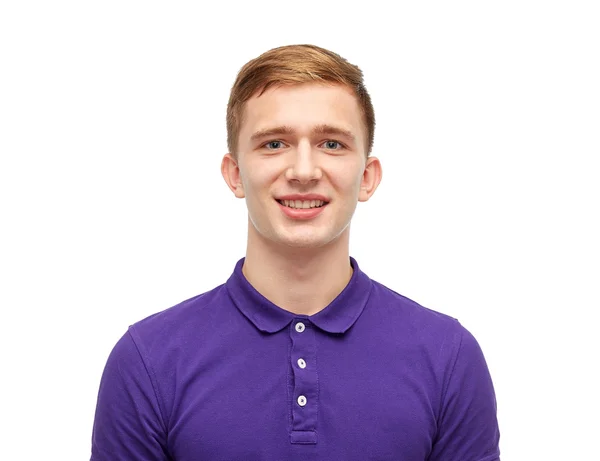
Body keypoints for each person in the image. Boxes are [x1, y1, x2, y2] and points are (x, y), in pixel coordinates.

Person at [90, 44, 500, 460]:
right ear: (234, 174)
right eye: (274, 144)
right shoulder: (148, 360)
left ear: (367, 177)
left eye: (332, 144)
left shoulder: (449, 357)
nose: (304, 171)